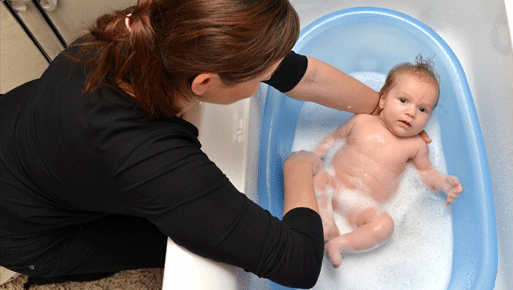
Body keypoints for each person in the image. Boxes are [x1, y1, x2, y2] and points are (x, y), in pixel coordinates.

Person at [0, 1, 383, 289]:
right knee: (177, 243)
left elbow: (304, 75)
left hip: (19, 128)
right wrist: (299, 167)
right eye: (262, 74)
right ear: (204, 84)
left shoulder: (150, 32)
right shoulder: (151, 159)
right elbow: (298, 263)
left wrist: (379, 107)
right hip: (25, 232)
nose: (272, 75)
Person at [311, 57, 463, 268]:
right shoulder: (361, 120)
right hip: (334, 185)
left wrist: (443, 182)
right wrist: (318, 152)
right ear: (382, 100)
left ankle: (339, 243)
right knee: (317, 175)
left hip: (364, 208)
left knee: (385, 226)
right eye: (403, 100)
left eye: (422, 109)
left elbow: (426, 173)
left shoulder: (417, 146)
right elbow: (335, 138)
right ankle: (326, 223)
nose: (411, 112)